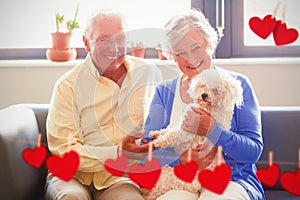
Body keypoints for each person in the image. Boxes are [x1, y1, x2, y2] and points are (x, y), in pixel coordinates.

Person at [143, 9, 265, 200]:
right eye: (180, 52)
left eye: (196, 48)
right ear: (171, 55)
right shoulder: (164, 91)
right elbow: (145, 150)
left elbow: (252, 151)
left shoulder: (237, 85)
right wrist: (180, 160)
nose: (191, 58)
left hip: (231, 180)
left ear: (209, 43)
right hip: (178, 181)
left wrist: (212, 130)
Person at [45, 9, 162, 200]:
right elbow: (64, 149)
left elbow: (161, 125)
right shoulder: (68, 85)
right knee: (70, 198)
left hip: (119, 177)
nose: (114, 48)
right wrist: (116, 153)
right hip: (72, 175)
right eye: (103, 40)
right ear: (86, 43)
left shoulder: (148, 73)